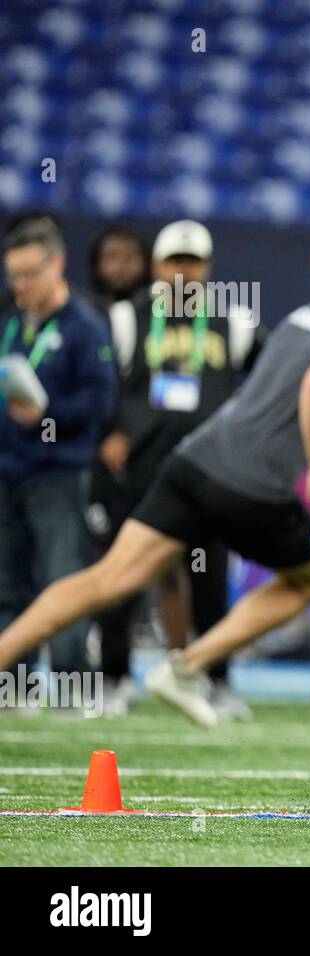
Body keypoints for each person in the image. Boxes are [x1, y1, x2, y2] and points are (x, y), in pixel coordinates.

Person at [0, 230, 310, 726]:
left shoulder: (307, 315)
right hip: (252, 485)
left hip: (192, 462)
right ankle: (189, 667)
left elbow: (291, 379)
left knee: (106, 578)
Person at [93, 219, 261, 718]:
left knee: (208, 583)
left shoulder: (235, 324)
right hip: (141, 473)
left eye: (193, 262)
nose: (183, 272)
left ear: (207, 268)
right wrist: (110, 432)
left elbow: (268, 380)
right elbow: (104, 387)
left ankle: (217, 680)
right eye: (174, 262)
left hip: (208, 472)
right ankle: (114, 678)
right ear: (157, 266)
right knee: (122, 576)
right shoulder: (128, 318)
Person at [0, 215, 117, 687]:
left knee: (63, 582)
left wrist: (47, 416)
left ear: (58, 265)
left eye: (30, 274)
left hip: (59, 473)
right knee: (7, 582)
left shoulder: (85, 326)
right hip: (8, 471)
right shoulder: (10, 324)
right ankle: (12, 683)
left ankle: (73, 685)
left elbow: (101, 401)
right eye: (14, 275)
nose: (20, 284)